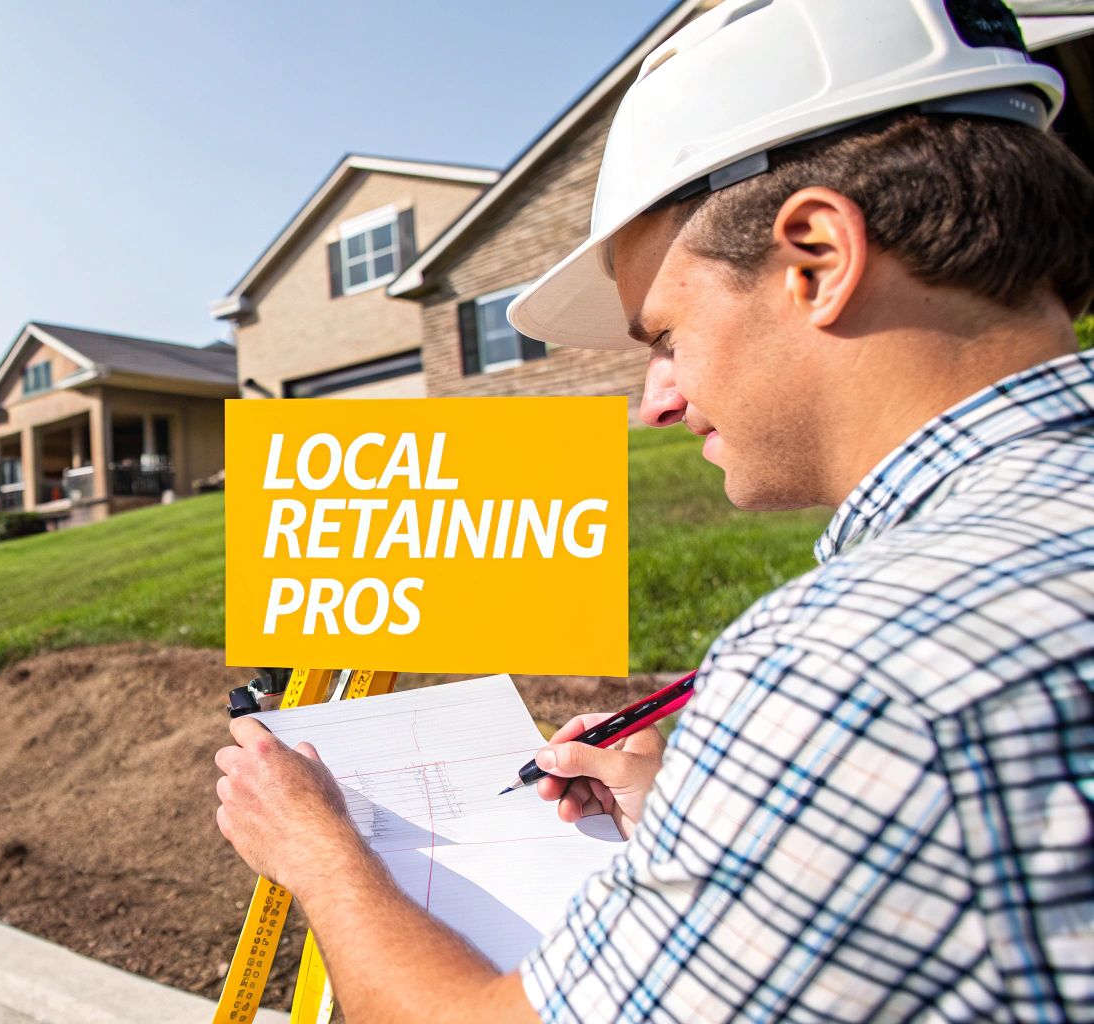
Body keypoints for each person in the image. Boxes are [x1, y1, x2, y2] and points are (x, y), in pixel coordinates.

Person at [212, 1, 1094, 1020]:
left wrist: (317, 852)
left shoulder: (851, 667)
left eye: (665, 335)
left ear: (814, 254)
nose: (656, 401)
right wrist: (731, 831)